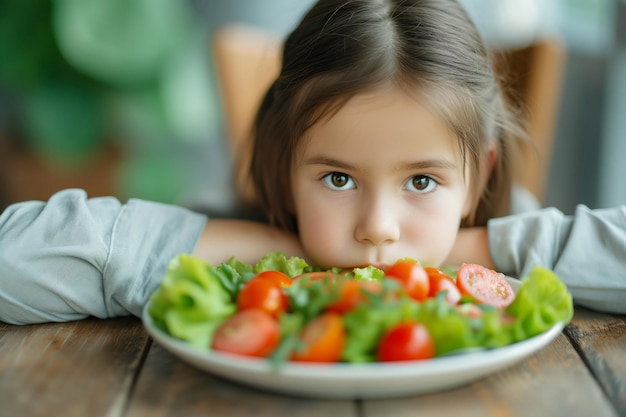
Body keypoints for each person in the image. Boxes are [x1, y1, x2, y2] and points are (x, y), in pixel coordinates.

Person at [0, 0, 624, 325]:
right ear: (282, 168)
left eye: (423, 181)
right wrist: (269, 246)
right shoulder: (226, 225)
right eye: (338, 178)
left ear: (480, 177)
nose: (378, 227)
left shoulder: (509, 234)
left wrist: (474, 253)